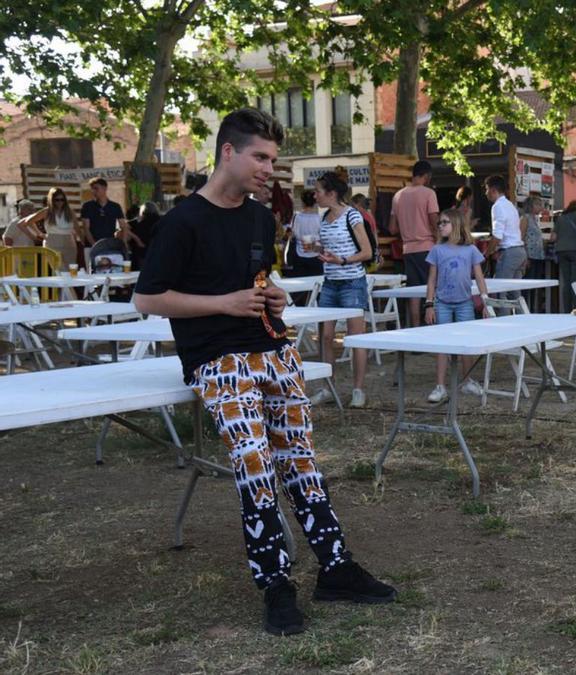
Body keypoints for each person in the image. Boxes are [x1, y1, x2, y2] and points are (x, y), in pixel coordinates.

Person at [132, 108, 395, 638]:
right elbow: (146, 299)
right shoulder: (183, 220)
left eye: (272, 159)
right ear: (227, 152)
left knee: (300, 459)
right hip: (217, 360)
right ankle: (275, 584)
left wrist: (273, 295)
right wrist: (223, 303)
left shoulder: (257, 217)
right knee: (255, 463)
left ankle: (336, 569)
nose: (268, 169)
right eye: (260, 157)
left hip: (272, 349)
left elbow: (256, 277)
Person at [310, 170, 373, 409]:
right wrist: (318, 250)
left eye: (317, 191)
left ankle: (358, 390)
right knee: (325, 337)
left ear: (332, 193)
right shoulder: (324, 217)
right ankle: (328, 387)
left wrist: (343, 260)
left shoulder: (352, 216)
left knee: (355, 338)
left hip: (352, 283)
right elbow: (328, 249)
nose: (314, 195)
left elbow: (366, 252)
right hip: (330, 283)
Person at [424, 210, 489, 403]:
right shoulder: (437, 250)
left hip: (464, 303)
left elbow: (479, 277)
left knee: (466, 343)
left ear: (456, 225)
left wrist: (486, 302)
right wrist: (429, 304)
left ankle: (467, 380)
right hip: (442, 303)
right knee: (442, 344)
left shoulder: (470, 250)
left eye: (445, 222)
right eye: (439, 223)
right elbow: (431, 280)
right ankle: (440, 385)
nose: (440, 225)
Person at [390, 160, 439, 326]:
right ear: (427, 176)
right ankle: (431, 328)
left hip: (407, 250)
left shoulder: (398, 196)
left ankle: (415, 329)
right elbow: (434, 222)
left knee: (413, 291)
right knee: (431, 288)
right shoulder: (428, 193)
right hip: (428, 248)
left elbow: (392, 228)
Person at [485, 174, 526, 303]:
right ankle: (521, 319)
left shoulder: (497, 206)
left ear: (493, 190)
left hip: (509, 252)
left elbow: (498, 235)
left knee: (499, 292)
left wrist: (488, 252)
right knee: (514, 293)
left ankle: (502, 319)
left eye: (486, 189)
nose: (486, 193)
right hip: (519, 251)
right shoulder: (510, 205)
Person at [553, 200, 576, 312]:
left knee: (566, 282)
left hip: (562, 251)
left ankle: (566, 310)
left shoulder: (560, 218)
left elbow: (553, 237)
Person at [283, 190, 324, 279]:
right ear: (315, 202)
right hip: (316, 255)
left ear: (302, 202)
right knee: (316, 284)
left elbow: (292, 234)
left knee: (301, 285)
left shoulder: (296, 217)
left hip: (299, 255)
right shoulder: (320, 218)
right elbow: (322, 237)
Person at [80, 177, 127, 248]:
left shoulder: (115, 206)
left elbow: (123, 226)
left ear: (104, 188)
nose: (93, 191)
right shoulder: (87, 206)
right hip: (91, 246)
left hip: (109, 245)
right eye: (92, 189)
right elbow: (86, 228)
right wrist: (94, 245)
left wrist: (123, 242)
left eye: (96, 188)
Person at [41, 188, 82, 269]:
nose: (60, 202)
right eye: (57, 200)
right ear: (52, 200)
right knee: (59, 269)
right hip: (53, 241)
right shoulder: (47, 211)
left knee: (72, 268)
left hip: (69, 241)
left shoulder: (70, 212)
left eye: (62, 199)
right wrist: (39, 234)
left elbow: (77, 228)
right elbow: (26, 222)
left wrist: (82, 241)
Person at [522, 196, 547, 307]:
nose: (541, 207)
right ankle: (526, 307)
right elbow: (521, 237)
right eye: (538, 204)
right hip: (530, 256)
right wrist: (525, 256)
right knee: (528, 285)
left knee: (534, 286)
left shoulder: (534, 219)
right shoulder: (525, 219)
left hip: (537, 256)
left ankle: (532, 307)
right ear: (531, 206)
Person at [127, 202, 161, 270]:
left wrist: (133, 236)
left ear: (142, 212)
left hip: (142, 257)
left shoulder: (138, 224)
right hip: (159, 256)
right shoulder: (162, 221)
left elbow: (123, 230)